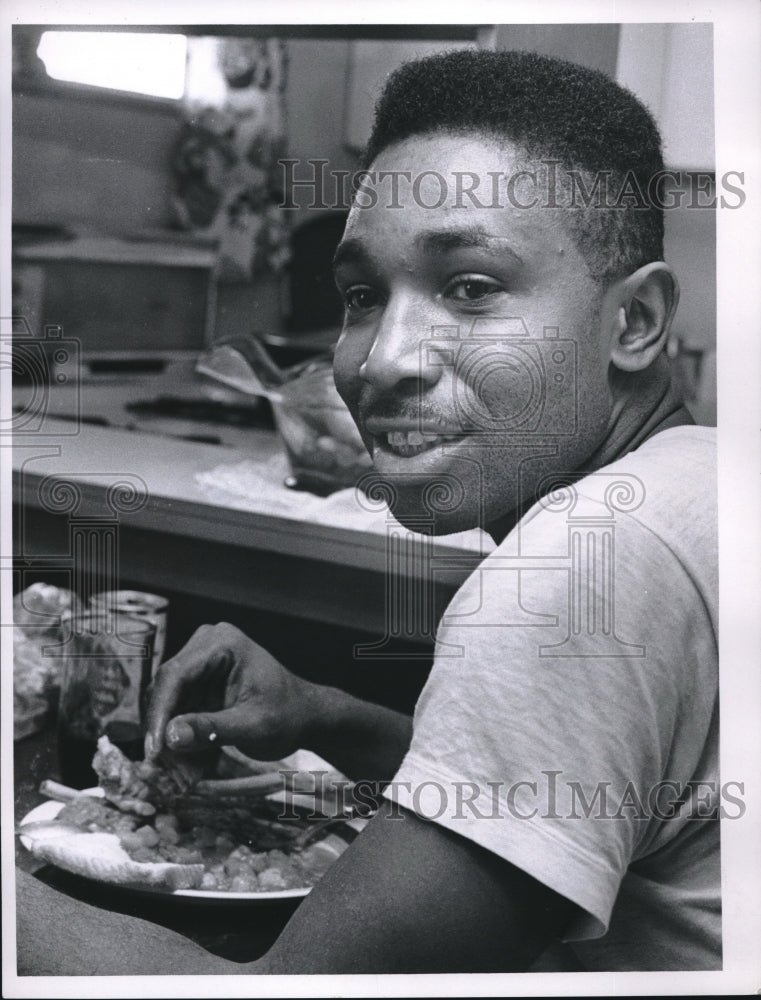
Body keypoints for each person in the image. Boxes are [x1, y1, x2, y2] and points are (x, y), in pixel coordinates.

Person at [16, 48, 718, 975]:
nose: (381, 358)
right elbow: (578, 796)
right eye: (360, 295)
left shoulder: (580, 571)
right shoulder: (698, 481)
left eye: (469, 287)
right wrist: (327, 716)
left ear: (634, 322)